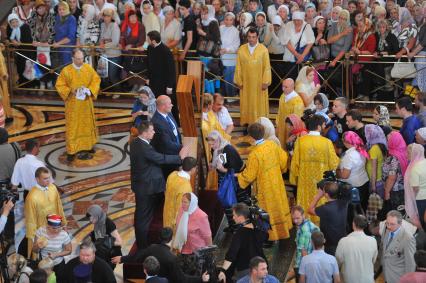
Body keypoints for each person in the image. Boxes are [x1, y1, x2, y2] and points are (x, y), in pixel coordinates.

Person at [130, 121, 186, 249]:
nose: (154, 132)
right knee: (142, 217)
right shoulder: (144, 147)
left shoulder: (136, 142)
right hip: (146, 187)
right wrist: (179, 158)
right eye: (152, 130)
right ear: (144, 133)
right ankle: (142, 246)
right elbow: (160, 158)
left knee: (144, 215)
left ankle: (144, 242)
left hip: (143, 184)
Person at [237, 123, 292, 241]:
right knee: (279, 205)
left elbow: (249, 176)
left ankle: (271, 235)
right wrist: (280, 170)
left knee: (267, 210)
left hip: (264, 187)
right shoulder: (272, 145)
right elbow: (283, 159)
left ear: (251, 137)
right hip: (277, 182)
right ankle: (283, 230)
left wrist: (238, 177)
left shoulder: (254, 154)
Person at [112, 227, 209, 283]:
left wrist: (122, 258)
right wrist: (201, 278)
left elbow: (137, 256)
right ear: (171, 239)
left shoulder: (152, 248)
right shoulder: (172, 258)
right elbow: (181, 279)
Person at [290, 115, 340, 225]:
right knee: (320, 201)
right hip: (321, 183)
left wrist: (294, 180)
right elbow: (334, 163)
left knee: (304, 202)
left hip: (304, 180)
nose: (324, 127)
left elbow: (295, 163)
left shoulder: (300, 141)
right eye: (323, 125)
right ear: (318, 126)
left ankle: (304, 226)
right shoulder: (326, 142)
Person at [55, 48, 101, 162]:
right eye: (78, 59)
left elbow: (96, 80)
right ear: (73, 58)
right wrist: (70, 90)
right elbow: (59, 85)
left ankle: (88, 146)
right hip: (73, 104)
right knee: (73, 126)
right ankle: (72, 150)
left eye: (82, 58)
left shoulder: (88, 68)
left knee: (87, 124)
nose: (81, 61)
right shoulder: (66, 71)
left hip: (85, 103)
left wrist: (89, 90)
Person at [217, 203, 268, 282]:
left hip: (247, 270)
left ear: (240, 217)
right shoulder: (258, 229)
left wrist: (223, 270)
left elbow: (231, 253)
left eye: (234, 215)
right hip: (262, 268)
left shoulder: (240, 233)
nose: (233, 218)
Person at [25, 167, 66, 257]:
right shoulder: (31, 197)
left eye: (49, 178)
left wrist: (63, 224)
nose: (48, 181)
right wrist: (33, 242)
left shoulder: (53, 188)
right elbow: (30, 220)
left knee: (57, 252)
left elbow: (59, 206)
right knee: (45, 258)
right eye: (45, 178)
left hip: (56, 229)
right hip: (43, 233)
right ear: (37, 179)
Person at [234, 27, 271, 125]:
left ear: (257, 37)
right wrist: (239, 81)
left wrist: (265, 82)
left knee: (259, 105)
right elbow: (238, 67)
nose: (251, 39)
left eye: (253, 37)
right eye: (249, 37)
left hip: (259, 84)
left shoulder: (263, 50)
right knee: (247, 104)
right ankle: (248, 125)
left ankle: (259, 125)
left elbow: (267, 67)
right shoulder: (242, 49)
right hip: (246, 84)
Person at [173, 192, 212, 272]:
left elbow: (207, 236)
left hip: (196, 253)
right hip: (182, 250)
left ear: (192, 203)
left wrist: (209, 253)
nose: (182, 204)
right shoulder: (181, 210)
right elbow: (177, 228)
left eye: (185, 202)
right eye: (182, 201)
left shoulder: (201, 216)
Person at [309, 181, 350, 256]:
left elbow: (310, 210)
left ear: (326, 195)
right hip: (343, 239)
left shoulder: (325, 209)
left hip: (331, 244)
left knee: (332, 262)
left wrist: (318, 195)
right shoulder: (344, 202)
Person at [335, 215, 378, 283]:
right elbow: (373, 260)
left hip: (349, 279)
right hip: (367, 279)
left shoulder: (343, 241)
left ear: (353, 224)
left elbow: (338, 261)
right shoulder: (373, 241)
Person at [32, 214, 72, 283]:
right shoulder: (41, 231)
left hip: (58, 265)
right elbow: (34, 250)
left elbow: (69, 250)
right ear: (48, 226)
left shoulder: (63, 234)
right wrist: (38, 246)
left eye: (59, 227)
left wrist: (56, 255)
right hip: (44, 265)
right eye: (53, 228)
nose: (56, 230)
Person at [337, 131, 370, 211]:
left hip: (354, 186)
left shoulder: (349, 156)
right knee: (363, 207)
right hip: (364, 182)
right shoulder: (361, 149)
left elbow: (345, 175)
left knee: (353, 210)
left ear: (346, 142)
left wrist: (337, 171)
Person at [151, 95, 182, 178]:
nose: (172, 105)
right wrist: (182, 147)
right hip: (168, 158)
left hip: (176, 153)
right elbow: (166, 144)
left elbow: (176, 131)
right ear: (162, 106)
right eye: (170, 103)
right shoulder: (156, 122)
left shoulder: (169, 113)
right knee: (170, 180)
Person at [381, 210, 416, 283]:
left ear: (400, 224)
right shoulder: (386, 229)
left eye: (392, 224)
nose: (389, 226)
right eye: (387, 223)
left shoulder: (408, 238)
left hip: (398, 279)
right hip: (386, 276)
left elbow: (411, 264)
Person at [163, 157, 197, 230]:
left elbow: (165, 192)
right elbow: (181, 209)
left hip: (167, 213)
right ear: (193, 169)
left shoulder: (172, 174)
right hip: (175, 222)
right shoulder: (186, 187)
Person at [86, 204, 122, 269]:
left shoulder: (109, 223)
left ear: (97, 215)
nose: (90, 221)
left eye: (91, 218)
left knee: (107, 274)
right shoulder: (98, 222)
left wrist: (104, 241)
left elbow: (119, 242)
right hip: (102, 254)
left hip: (110, 256)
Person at [282, 11, 315, 78]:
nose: (296, 22)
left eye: (299, 20)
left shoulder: (307, 26)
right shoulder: (289, 25)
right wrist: (296, 55)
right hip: (290, 57)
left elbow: (310, 42)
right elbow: (286, 42)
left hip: (304, 58)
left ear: (302, 19)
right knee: (290, 78)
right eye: (295, 20)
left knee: (303, 79)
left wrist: (302, 56)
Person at [290, 206, 319, 282]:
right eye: (293, 219)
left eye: (297, 218)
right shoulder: (309, 224)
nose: (295, 221)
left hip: (302, 265)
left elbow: (304, 253)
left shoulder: (304, 230)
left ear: (303, 216)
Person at [146, 31, 176, 100]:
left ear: (153, 41)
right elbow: (148, 64)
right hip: (153, 82)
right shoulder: (149, 48)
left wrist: (170, 86)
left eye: (148, 39)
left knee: (164, 103)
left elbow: (172, 70)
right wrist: (148, 78)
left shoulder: (166, 51)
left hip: (164, 83)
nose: (147, 41)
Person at [120, 9, 145, 93]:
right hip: (128, 53)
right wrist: (122, 45)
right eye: (131, 17)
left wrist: (132, 46)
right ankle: (134, 86)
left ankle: (141, 86)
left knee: (139, 70)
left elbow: (142, 40)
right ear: (127, 18)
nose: (134, 18)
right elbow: (122, 37)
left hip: (137, 52)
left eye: (135, 16)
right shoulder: (124, 26)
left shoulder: (140, 26)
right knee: (131, 71)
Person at [382, 132, 408, 212]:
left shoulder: (394, 158)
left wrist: (387, 192)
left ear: (393, 142)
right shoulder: (404, 151)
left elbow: (392, 178)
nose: (387, 142)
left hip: (394, 190)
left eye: (388, 140)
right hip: (403, 187)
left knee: (395, 212)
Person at [276, 78, 305, 148]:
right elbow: (279, 112)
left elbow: (297, 121)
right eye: (282, 86)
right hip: (281, 128)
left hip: (290, 131)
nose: (283, 89)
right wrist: (277, 124)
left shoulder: (297, 101)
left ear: (292, 87)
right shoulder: (282, 96)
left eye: (286, 87)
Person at [99, 7, 122, 92]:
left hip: (114, 55)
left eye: (108, 16)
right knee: (105, 76)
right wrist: (102, 42)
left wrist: (103, 45)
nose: (106, 18)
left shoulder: (115, 26)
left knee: (113, 76)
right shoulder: (102, 25)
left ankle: (118, 92)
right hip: (104, 54)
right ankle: (110, 91)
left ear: (112, 17)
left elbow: (115, 42)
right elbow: (101, 38)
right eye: (105, 16)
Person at [404, 143, 426, 228]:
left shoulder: (414, 168)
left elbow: (415, 189)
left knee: (422, 219)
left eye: (409, 153)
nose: (406, 154)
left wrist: (411, 200)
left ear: (415, 154)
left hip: (420, 198)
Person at [364, 124, 387, 200]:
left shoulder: (374, 149)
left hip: (376, 180)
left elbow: (374, 169)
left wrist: (373, 186)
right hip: (381, 178)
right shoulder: (381, 144)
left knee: (376, 203)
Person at [220, 12, 240, 98]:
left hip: (230, 58)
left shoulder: (235, 31)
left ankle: (231, 97)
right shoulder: (220, 28)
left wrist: (226, 50)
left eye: (230, 20)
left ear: (233, 21)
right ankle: (223, 97)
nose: (228, 21)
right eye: (226, 19)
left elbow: (236, 45)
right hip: (221, 57)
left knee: (230, 80)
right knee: (222, 79)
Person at [53, 1, 77, 68]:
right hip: (57, 47)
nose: (61, 11)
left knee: (67, 68)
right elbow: (53, 31)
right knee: (58, 69)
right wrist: (54, 41)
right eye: (59, 9)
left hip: (67, 48)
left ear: (67, 9)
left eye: (63, 9)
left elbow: (70, 37)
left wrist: (58, 43)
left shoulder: (71, 19)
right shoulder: (57, 17)